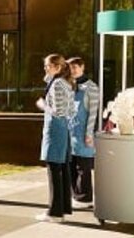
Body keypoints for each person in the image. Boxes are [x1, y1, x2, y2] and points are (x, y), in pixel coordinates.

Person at [35, 53, 76, 223]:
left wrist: (43, 105)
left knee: (54, 170)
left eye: (48, 66)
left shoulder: (58, 84)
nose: (45, 69)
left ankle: (55, 213)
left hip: (55, 130)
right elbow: (70, 110)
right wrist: (52, 73)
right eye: (44, 65)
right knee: (62, 170)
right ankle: (62, 209)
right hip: (62, 129)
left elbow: (58, 111)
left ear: (58, 67)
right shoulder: (63, 82)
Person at [67, 56, 99, 209]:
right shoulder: (69, 86)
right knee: (71, 165)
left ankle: (85, 198)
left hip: (83, 133)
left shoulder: (91, 87)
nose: (72, 70)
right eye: (70, 68)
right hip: (70, 132)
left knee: (83, 167)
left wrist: (89, 134)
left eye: (75, 67)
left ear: (82, 67)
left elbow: (93, 113)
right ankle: (76, 196)